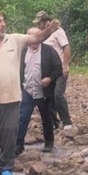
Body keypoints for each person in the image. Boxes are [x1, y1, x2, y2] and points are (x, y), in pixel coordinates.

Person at [0, 12, 59, 175]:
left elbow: (36, 38)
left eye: (3, 20)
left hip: (11, 98)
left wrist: (49, 30)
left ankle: (6, 166)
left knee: (9, 134)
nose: (3, 24)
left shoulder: (14, 40)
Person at [15, 26, 63, 155]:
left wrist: (49, 78)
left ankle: (49, 142)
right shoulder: (22, 51)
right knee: (22, 118)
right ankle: (18, 146)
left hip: (44, 92)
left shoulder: (49, 50)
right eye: (31, 37)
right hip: (27, 90)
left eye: (37, 36)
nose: (34, 40)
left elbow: (59, 68)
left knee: (46, 118)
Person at [33, 11, 73, 132]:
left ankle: (67, 121)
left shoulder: (58, 32)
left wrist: (65, 65)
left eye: (40, 23)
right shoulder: (42, 34)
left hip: (59, 68)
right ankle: (53, 122)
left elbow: (66, 47)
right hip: (47, 71)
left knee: (58, 95)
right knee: (48, 97)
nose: (38, 26)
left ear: (46, 22)